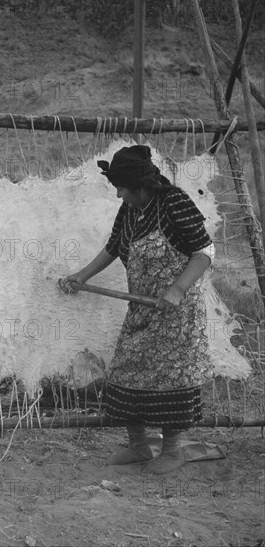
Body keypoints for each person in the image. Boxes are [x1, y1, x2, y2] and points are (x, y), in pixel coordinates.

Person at [60, 145, 215, 475]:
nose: (118, 194)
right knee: (125, 374)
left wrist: (177, 289)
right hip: (141, 310)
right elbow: (114, 247)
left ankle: (172, 451)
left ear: (140, 185)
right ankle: (139, 446)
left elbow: (203, 251)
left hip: (177, 315)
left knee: (172, 381)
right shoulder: (129, 211)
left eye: (122, 187)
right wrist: (80, 276)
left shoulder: (174, 203)